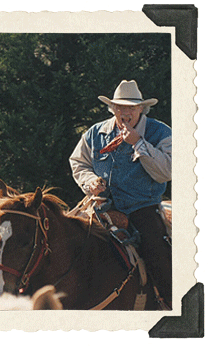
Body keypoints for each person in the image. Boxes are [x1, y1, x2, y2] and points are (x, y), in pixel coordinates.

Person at [69, 80, 172, 307]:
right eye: (119, 108)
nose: (125, 113)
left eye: (131, 108)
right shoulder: (96, 133)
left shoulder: (160, 132)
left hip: (142, 207)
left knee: (158, 254)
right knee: (65, 240)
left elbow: (166, 172)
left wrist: (138, 143)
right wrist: (89, 182)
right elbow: (78, 162)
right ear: (112, 109)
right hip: (100, 206)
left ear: (141, 109)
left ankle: (170, 307)